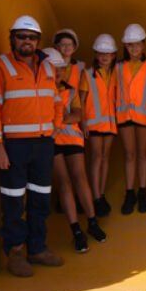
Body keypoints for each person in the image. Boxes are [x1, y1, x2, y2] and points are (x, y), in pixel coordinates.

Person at [0, 15, 64, 277]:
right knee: (13, 202)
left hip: (42, 145)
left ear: (37, 41)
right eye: (21, 36)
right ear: (12, 39)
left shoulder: (49, 68)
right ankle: (15, 253)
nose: (26, 42)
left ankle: (38, 249)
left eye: (31, 37)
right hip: (14, 147)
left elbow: (57, 101)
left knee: (41, 200)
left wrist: (54, 129)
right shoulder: (1, 66)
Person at [45, 47, 106, 254]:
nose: (59, 74)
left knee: (80, 178)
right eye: (55, 70)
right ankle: (76, 231)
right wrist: (63, 119)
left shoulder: (70, 91)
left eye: (61, 70)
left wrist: (59, 120)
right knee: (64, 183)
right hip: (52, 142)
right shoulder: (41, 92)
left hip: (71, 138)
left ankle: (92, 222)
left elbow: (78, 114)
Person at [116, 23, 146, 215]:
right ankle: (129, 192)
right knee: (129, 155)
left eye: (138, 44)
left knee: (143, 154)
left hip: (144, 116)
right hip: (125, 116)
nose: (134, 48)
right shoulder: (118, 67)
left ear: (143, 45)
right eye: (130, 45)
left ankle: (142, 191)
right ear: (125, 46)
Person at [83, 34, 119, 216]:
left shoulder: (115, 74)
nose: (105, 57)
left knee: (105, 158)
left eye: (109, 53)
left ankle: (101, 193)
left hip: (110, 123)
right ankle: (95, 196)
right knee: (97, 158)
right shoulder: (87, 74)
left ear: (114, 55)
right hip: (94, 123)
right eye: (101, 53)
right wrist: (83, 123)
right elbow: (80, 101)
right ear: (96, 54)